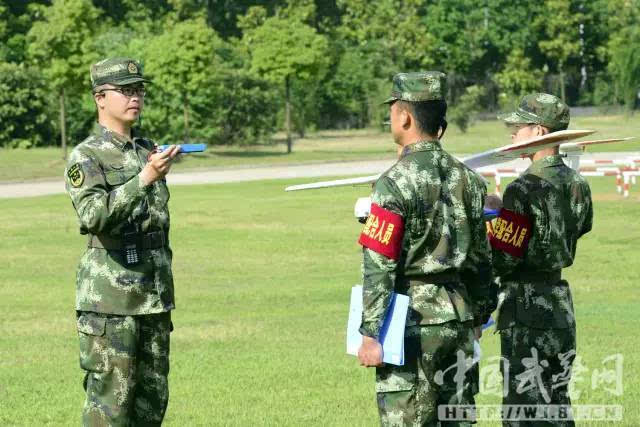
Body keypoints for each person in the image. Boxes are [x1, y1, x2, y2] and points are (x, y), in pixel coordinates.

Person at [356, 71, 493, 425]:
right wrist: (479, 315)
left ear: (405, 116)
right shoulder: (470, 180)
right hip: (459, 319)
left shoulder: (393, 182)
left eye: (392, 110)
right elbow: (481, 258)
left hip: (411, 322)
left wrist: (371, 332)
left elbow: (379, 263)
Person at [64, 57, 181, 426]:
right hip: (111, 304)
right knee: (110, 410)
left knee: (151, 406)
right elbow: (94, 216)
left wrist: (149, 168)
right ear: (100, 97)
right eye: (126, 90)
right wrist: (145, 178)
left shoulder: (146, 148)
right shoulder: (86, 155)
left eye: (139, 90)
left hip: (153, 297)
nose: (136, 97)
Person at [492, 93, 593, 425]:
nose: (512, 132)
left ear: (538, 132)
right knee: (557, 404)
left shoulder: (521, 189)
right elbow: (581, 226)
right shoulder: (578, 183)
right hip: (560, 304)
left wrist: (494, 220)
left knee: (523, 409)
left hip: (526, 309)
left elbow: (503, 258)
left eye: (518, 126)